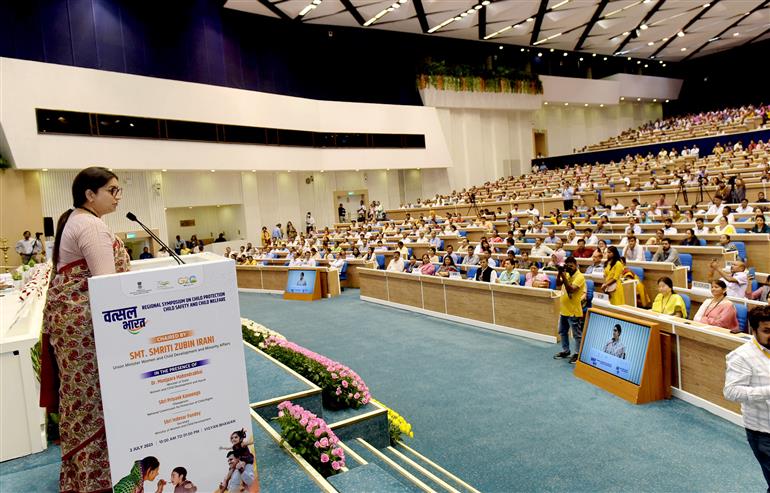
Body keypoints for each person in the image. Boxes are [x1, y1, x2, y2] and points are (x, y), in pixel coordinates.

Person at [39, 167, 130, 492]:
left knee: (80, 398)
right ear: (90, 194)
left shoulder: (74, 220)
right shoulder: (90, 226)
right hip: (87, 331)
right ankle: (97, 479)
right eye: (112, 190)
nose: (118, 197)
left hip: (72, 327)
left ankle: (83, 474)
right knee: (94, 399)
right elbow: (107, 287)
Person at [723, 305, 770, 492]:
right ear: (753, 330)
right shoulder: (741, 356)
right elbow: (731, 392)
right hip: (763, 432)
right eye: (766, 331)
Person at [553, 257, 587, 364]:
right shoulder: (566, 274)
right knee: (563, 332)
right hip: (564, 309)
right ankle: (566, 351)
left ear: (576, 265)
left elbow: (570, 289)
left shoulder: (580, 277)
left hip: (574, 311)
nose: (569, 268)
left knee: (577, 334)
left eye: (571, 265)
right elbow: (558, 284)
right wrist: (559, 272)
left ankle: (577, 354)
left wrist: (563, 274)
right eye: (567, 265)